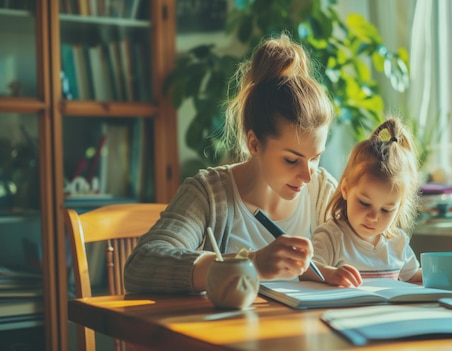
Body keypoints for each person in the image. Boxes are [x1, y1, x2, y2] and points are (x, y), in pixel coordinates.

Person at [124, 33, 337, 294]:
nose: (307, 175)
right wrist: (251, 263)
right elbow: (141, 265)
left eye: (315, 158)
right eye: (292, 159)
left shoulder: (323, 192)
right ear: (254, 144)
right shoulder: (210, 193)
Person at [301, 117, 422, 287]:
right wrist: (330, 274)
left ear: (399, 208)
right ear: (346, 189)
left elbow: (412, 276)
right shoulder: (332, 237)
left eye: (386, 210)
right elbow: (306, 270)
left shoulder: (398, 243)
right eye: (365, 203)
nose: (373, 217)